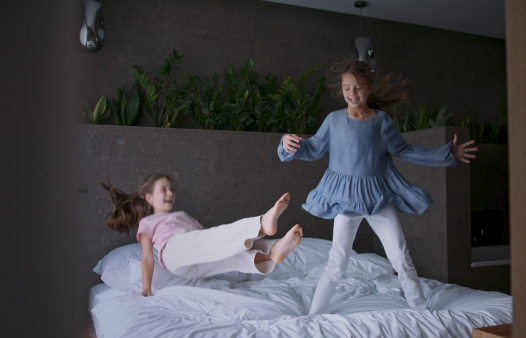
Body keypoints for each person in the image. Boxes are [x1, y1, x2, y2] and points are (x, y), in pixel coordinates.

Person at [278, 59, 477, 314]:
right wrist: (286, 141)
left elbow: (405, 150)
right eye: (347, 88)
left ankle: (421, 312)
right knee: (337, 263)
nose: (353, 93)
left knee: (401, 258)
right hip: (345, 201)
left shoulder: (381, 121)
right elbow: (313, 148)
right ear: (342, 90)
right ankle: (313, 316)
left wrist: (448, 154)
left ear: (368, 89)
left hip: (378, 200)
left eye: (358, 87)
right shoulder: (334, 120)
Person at [101, 173, 304, 297]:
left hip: (192, 263)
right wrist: (146, 288)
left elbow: (206, 238)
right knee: (218, 236)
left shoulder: (177, 217)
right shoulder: (148, 223)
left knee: (229, 256)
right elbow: (147, 257)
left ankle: (271, 253)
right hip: (173, 253)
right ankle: (261, 224)